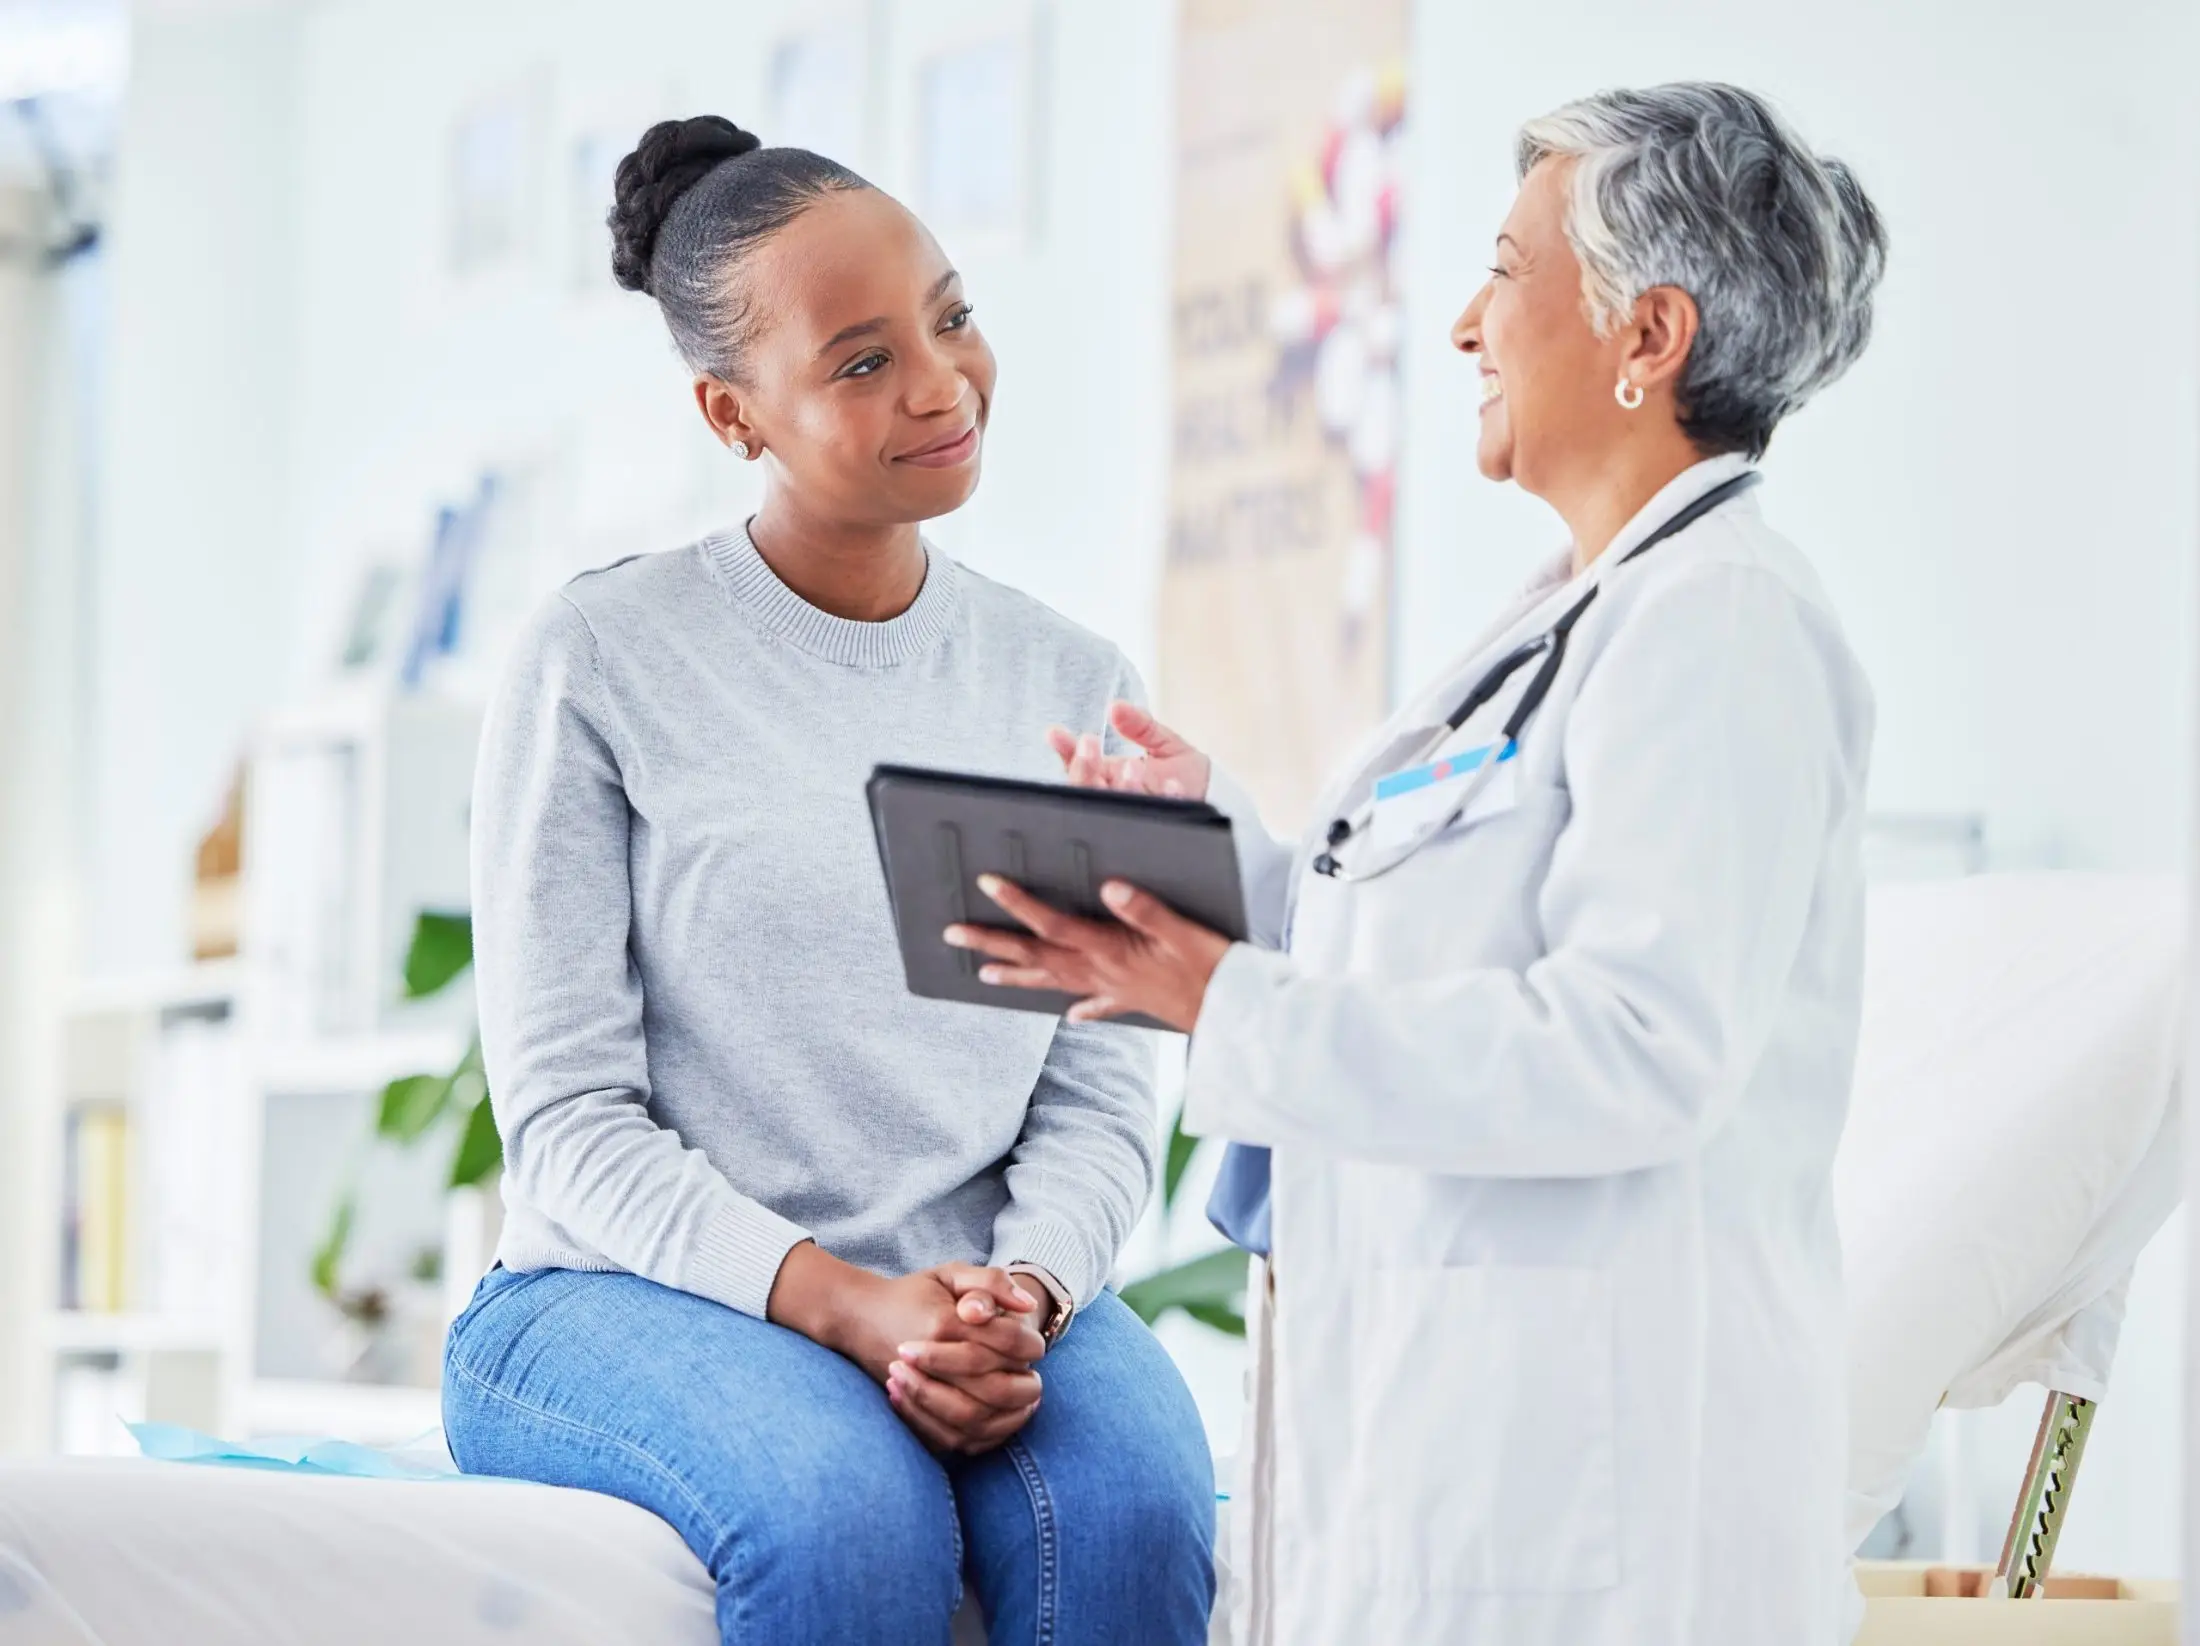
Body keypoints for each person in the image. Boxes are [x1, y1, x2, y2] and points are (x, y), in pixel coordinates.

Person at [951, 83, 1886, 1645]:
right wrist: (1224, 863)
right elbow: (1442, 950)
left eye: (1507, 271)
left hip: (1607, 1515)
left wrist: (1226, 999)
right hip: (1458, 1460)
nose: (1464, 324)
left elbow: (1638, 1047)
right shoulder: (1575, 620)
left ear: (1647, 336)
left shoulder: (1721, 624)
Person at [440, 116, 1214, 1646]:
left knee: (1131, 1513)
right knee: (845, 1513)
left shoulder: (1075, 679)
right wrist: (848, 1304)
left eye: (952, 315)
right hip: (622, 1292)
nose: (939, 381)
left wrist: (1030, 1292)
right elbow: (568, 1121)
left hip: (984, 1280)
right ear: (733, 415)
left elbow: (1108, 1082)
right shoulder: (597, 660)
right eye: (861, 362)